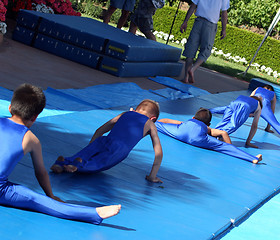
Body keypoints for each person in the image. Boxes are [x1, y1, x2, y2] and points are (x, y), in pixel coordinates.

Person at [0, 84, 120, 224]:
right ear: (35, 117)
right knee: (36, 199)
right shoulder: (31, 139)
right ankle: (94, 214)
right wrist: (50, 195)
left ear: (10, 107)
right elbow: (41, 172)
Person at [51, 99, 163, 183]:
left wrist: (90, 148)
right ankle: (78, 165)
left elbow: (100, 130)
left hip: (103, 140)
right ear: (152, 118)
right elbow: (158, 153)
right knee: (97, 164)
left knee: (83, 155)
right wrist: (152, 176)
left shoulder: (125, 114)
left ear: (133, 110)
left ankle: (62, 163)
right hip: (119, 149)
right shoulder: (150, 124)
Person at [155, 108, 262, 164]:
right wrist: (229, 147)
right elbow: (223, 133)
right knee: (223, 146)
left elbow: (167, 121)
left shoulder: (187, 122)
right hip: (198, 139)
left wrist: (159, 122)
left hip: (180, 132)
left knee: (157, 125)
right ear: (208, 124)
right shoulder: (207, 127)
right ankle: (252, 159)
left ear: (193, 118)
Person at [180, 0, 229, 83]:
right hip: (210, 25)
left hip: (198, 21)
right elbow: (224, 13)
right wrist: (224, 29)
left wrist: (185, 21)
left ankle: (186, 77)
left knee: (191, 48)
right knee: (206, 50)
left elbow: (193, 6)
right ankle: (192, 69)